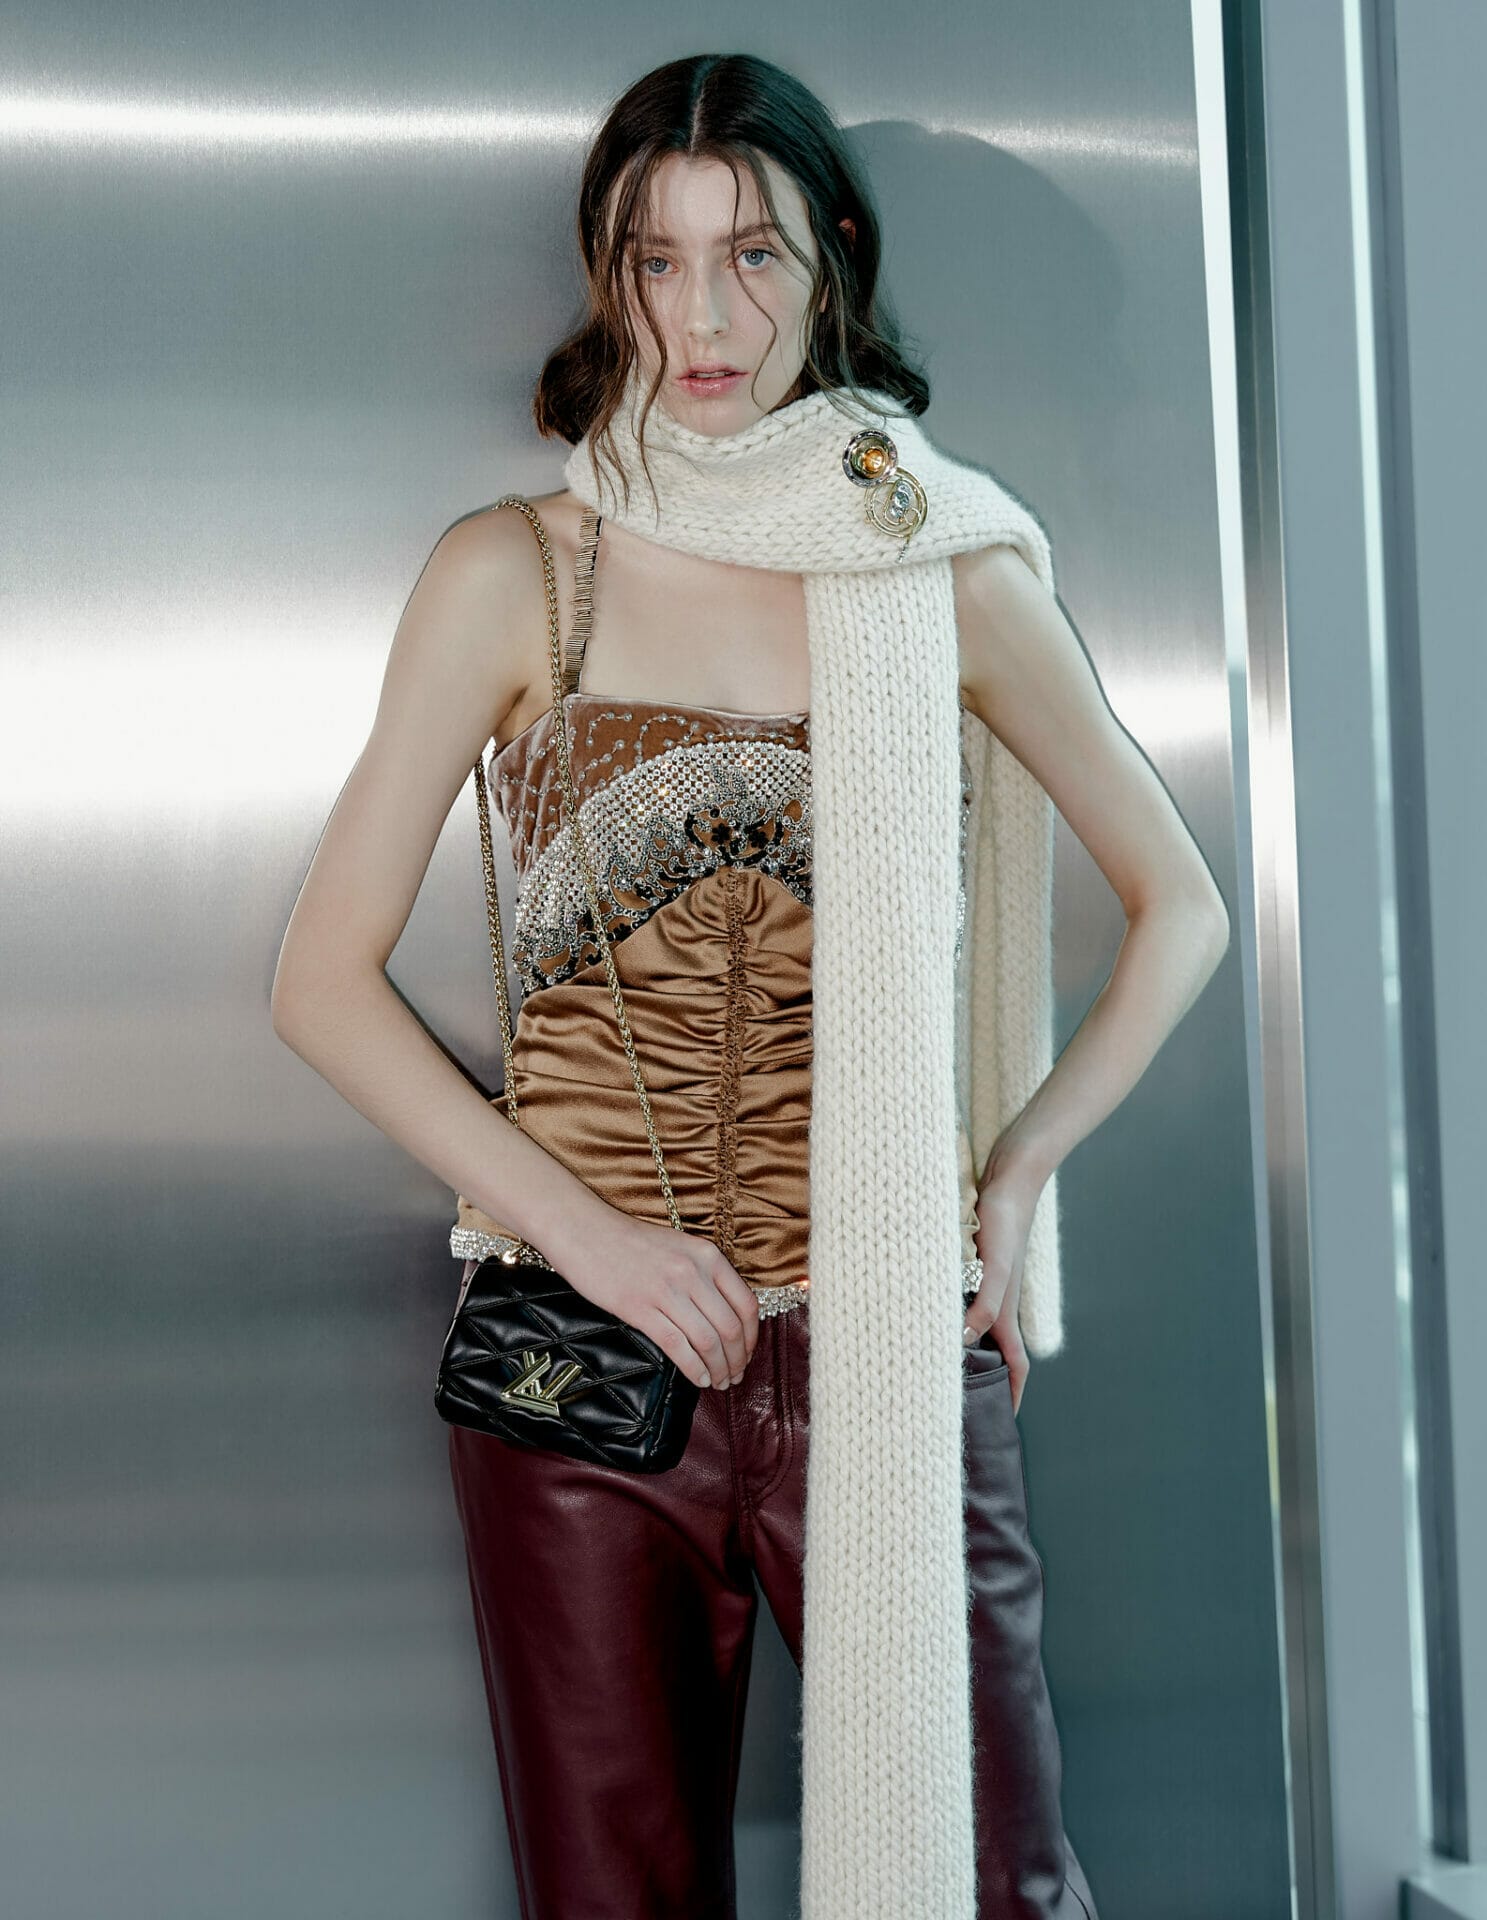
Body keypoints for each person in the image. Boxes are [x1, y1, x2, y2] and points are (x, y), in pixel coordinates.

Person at [272, 50, 1229, 1920]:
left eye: (754, 255)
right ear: (608, 275)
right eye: (657, 260)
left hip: (889, 1338)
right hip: (580, 1364)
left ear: (832, 255)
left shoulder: (936, 567)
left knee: (995, 1889)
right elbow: (321, 979)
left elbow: (1180, 905)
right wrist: (600, 1246)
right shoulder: (515, 573)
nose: (703, 318)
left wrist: (1014, 1174)